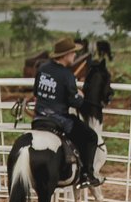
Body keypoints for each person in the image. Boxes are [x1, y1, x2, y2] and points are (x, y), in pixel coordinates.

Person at [32, 36, 103, 188]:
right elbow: (74, 102)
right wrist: (80, 96)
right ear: (65, 55)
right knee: (91, 137)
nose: (75, 55)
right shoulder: (67, 75)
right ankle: (87, 175)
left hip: (39, 117)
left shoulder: (43, 68)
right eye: (73, 53)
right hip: (59, 119)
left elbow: (36, 93)